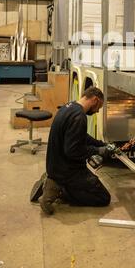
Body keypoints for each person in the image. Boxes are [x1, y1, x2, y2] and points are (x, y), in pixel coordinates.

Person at [35, 86, 111, 215]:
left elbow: (81, 136)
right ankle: (58, 189)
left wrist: (99, 144)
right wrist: (98, 151)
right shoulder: (79, 116)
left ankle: (55, 182)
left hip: (56, 165)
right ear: (95, 100)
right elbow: (73, 151)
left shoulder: (68, 107)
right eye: (99, 107)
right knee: (103, 198)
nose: (97, 111)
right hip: (68, 171)